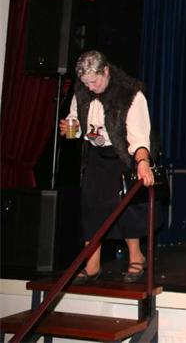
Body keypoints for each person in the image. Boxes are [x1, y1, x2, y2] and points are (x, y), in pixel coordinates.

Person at [59, 51, 155, 284]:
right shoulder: (83, 90)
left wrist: (142, 162)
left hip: (124, 154)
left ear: (106, 71)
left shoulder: (131, 94)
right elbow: (77, 118)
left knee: (125, 207)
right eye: (86, 83)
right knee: (91, 205)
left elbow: (140, 136)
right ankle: (92, 265)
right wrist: (73, 128)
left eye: (94, 81)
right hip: (98, 155)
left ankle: (136, 257)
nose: (90, 87)